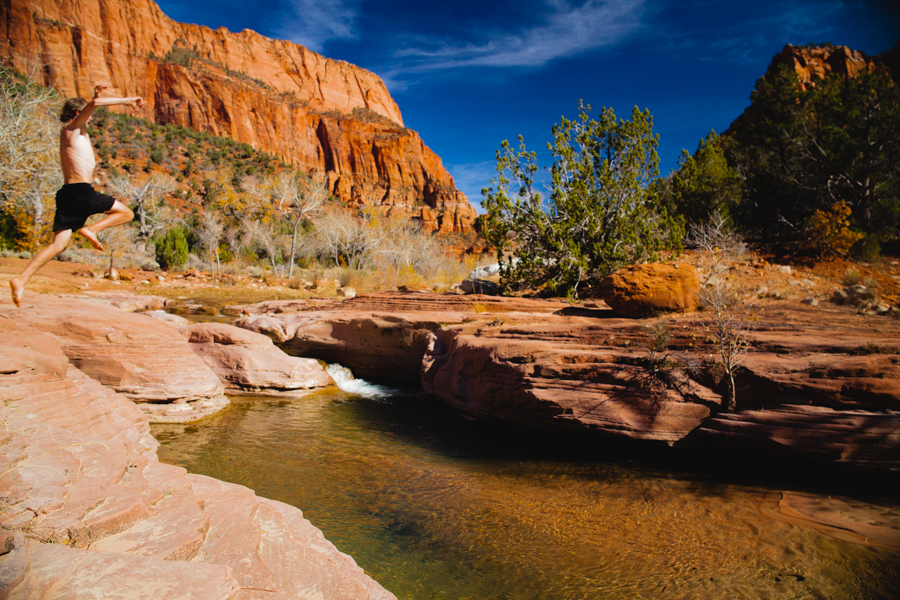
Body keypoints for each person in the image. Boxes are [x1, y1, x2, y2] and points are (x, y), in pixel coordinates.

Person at [9, 85, 142, 307]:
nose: (90, 120)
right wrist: (127, 101)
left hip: (67, 194)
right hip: (80, 192)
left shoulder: (74, 132)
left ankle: (21, 279)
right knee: (126, 213)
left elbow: (92, 105)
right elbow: (93, 106)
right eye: (87, 116)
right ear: (77, 114)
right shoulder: (72, 128)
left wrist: (95, 96)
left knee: (58, 245)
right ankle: (92, 229)